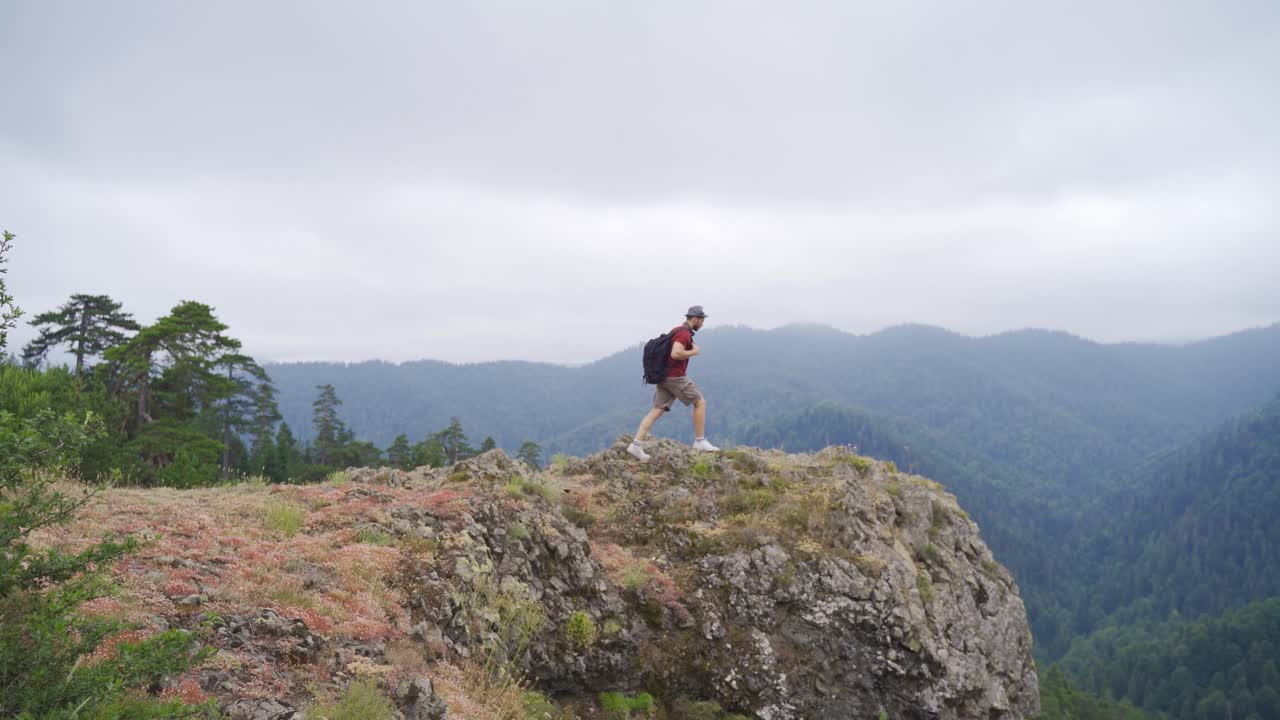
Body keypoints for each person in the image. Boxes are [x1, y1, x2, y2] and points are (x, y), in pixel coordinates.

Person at [627, 305, 720, 461]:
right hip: (675, 377)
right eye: (702, 320)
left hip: (664, 376)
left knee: (657, 409)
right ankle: (700, 441)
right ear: (695, 319)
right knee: (700, 402)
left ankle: (636, 445)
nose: (702, 324)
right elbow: (676, 353)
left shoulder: (677, 330)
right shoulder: (684, 334)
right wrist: (694, 352)